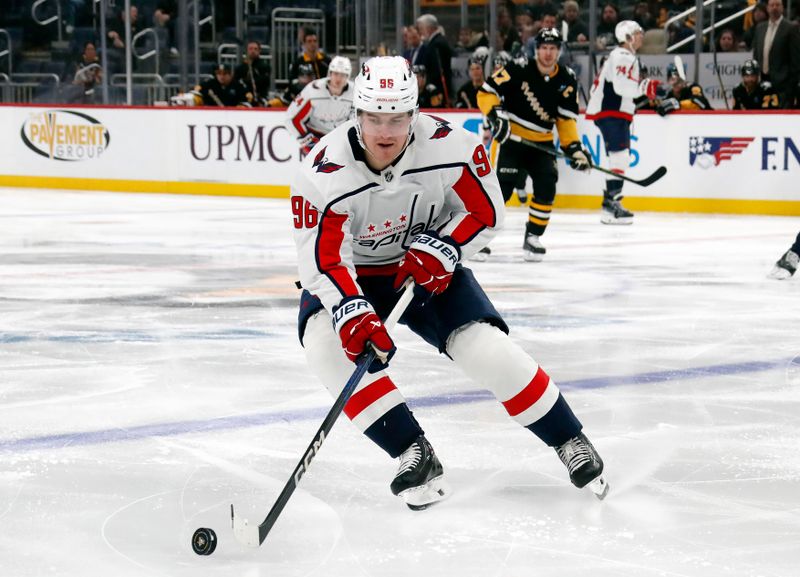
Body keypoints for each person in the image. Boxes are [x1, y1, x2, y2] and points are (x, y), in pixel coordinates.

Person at [291, 55, 608, 510]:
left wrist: (444, 245)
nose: (386, 131)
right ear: (356, 114)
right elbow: (322, 260)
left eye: (398, 118)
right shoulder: (321, 171)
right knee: (325, 345)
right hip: (353, 273)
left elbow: (486, 211)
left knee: (484, 346)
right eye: (374, 118)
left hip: (427, 269)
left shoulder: (450, 146)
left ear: (414, 114)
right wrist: (351, 311)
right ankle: (411, 450)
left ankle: (567, 438)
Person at [477, 28, 592, 261]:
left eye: (553, 48)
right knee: (500, 190)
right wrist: (497, 116)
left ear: (559, 51)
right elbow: (486, 93)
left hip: (542, 143)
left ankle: (533, 237)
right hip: (511, 141)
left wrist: (575, 149)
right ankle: (479, 238)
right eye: (544, 48)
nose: (548, 53)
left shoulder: (567, 78)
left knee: (547, 185)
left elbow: (566, 121)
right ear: (537, 49)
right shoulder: (518, 68)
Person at [586, 21, 661, 225]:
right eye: (638, 33)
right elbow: (621, 88)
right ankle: (611, 206)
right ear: (627, 36)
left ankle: (611, 203)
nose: (641, 36)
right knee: (619, 158)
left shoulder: (623, 56)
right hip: (611, 112)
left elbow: (623, 88)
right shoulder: (622, 55)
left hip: (615, 113)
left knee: (620, 159)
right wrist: (644, 87)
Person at [285, 56, 354, 156]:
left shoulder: (356, 92)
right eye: (335, 73)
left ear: (348, 76)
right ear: (329, 73)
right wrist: (307, 141)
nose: (338, 79)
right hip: (315, 135)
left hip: (340, 137)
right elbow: (292, 118)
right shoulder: (313, 90)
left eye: (343, 75)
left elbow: (358, 121)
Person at [751, 0, 800, 108]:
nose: (774, 7)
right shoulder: (760, 28)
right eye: (772, 5)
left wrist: (790, 86)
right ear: (767, 8)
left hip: (783, 85)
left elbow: (796, 60)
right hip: (762, 81)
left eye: (777, 5)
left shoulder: (791, 28)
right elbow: (756, 54)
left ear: (782, 8)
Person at [416, 13, 453, 106]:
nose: (420, 32)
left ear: (429, 28)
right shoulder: (436, 42)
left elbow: (438, 70)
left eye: (421, 28)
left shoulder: (437, 44)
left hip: (438, 91)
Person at [187, 64, 252, 107]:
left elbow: (247, 99)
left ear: (230, 75)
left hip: (233, 117)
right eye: (219, 74)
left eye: (224, 74)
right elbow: (196, 90)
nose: (221, 76)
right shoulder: (210, 83)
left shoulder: (238, 85)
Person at [234, 40, 271, 107]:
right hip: (244, 98)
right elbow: (236, 83)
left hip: (260, 97)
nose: (253, 51)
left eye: (255, 49)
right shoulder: (240, 68)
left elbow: (264, 82)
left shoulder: (264, 66)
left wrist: (246, 81)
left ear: (259, 51)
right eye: (250, 49)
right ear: (247, 51)